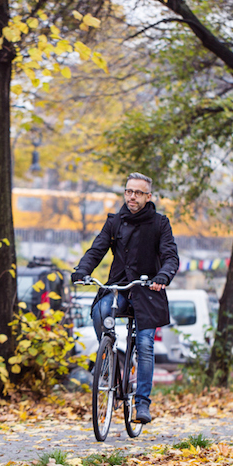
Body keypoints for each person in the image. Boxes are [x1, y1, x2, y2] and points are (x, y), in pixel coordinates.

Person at [71, 173, 179, 424]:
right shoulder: (115, 222)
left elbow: (171, 256)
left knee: (145, 345)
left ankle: (142, 403)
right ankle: (108, 355)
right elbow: (97, 249)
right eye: (128, 191)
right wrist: (82, 270)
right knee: (99, 311)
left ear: (148, 196)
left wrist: (162, 276)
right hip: (118, 288)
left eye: (138, 193)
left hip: (147, 292)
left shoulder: (160, 223)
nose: (132, 196)